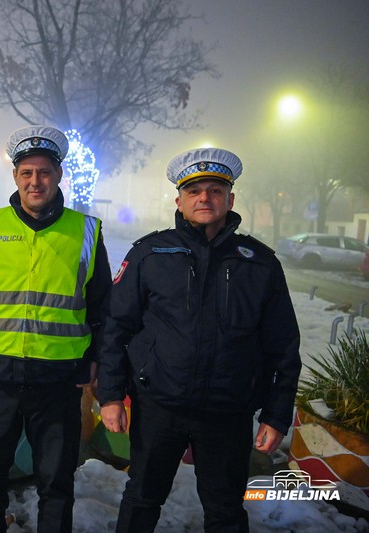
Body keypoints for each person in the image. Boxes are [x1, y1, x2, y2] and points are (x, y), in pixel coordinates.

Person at [97, 147, 302, 532]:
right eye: (194, 191)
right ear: (179, 200)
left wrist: (276, 415)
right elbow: (115, 327)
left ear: (230, 199)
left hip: (228, 413)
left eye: (214, 190)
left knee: (225, 512)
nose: (204, 198)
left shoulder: (259, 263)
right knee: (142, 499)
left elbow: (283, 347)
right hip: (160, 406)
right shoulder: (150, 253)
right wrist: (110, 395)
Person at [0, 125, 112, 533]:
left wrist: (96, 361)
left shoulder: (86, 232)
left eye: (45, 172)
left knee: (56, 481)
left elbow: (105, 307)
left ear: (58, 175)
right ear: (15, 177)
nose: (36, 181)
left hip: (58, 380)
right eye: (27, 173)